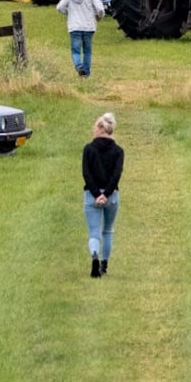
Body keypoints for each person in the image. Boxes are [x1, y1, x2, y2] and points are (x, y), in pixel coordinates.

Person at [82, 112, 123, 278]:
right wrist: (106, 194)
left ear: (100, 128)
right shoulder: (118, 151)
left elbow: (86, 173)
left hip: (91, 196)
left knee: (94, 232)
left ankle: (94, 256)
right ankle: (104, 264)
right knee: (107, 231)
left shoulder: (89, 149)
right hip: (111, 197)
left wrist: (95, 194)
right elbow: (116, 174)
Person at [57, 0, 106, 77]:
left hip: (74, 27)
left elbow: (60, 7)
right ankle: (86, 74)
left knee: (75, 51)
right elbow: (100, 10)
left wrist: (69, 13)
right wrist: (98, 17)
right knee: (87, 51)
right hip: (88, 27)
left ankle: (79, 66)